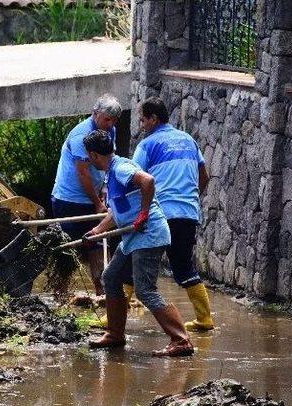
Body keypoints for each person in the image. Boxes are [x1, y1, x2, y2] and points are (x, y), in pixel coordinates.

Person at [83, 130, 193, 357]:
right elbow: (117, 211)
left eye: (88, 156)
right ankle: (115, 334)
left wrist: (144, 213)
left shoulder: (121, 168)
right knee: (111, 277)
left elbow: (148, 180)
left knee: (145, 289)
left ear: (94, 155)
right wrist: (97, 231)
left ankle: (181, 340)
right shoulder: (112, 172)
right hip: (133, 237)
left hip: (148, 234)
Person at [133, 97, 214, 332]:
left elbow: (135, 180)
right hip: (187, 213)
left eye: (143, 120)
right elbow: (204, 177)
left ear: (153, 119)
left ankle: (113, 318)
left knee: (131, 257)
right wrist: (190, 200)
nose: (141, 125)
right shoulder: (189, 140)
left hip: (159, 214)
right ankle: (205, 319)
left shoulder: (147, 145)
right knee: (184, 267)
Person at [51, 94, 122, 295]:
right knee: (68, 247)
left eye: (114, 120)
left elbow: (106, 163)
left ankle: (101, 291)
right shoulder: (80, 136)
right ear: (95, 114)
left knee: (96, 245)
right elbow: (83, 173)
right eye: (107, 119)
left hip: (94, 195)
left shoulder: (111, 132)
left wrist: (104, 193)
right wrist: (98, 204)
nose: (110, 124)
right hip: (69, 199)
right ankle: (60, 294)